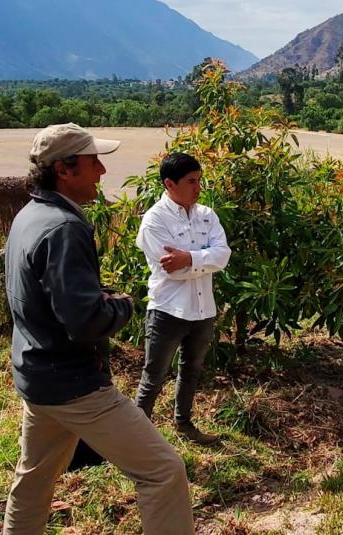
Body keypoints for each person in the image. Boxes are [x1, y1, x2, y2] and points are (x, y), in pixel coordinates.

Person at [3, 123, 194, 534]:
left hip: (36, 375)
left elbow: (45, 295)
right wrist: (121, 307)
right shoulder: (65, 228)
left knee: (33, 479)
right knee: (163, 471)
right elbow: (85, 322)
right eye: (94, 163)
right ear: (64, 170)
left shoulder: (30, 215)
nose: (102, 172)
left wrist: (94, 296)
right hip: (74, 385)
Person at [135, 152, 231, 445]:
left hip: (203, 309)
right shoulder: (154, 221)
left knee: (191, 370)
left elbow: (223, 255)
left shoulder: (206, 215)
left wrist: (189, 257)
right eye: (191, 181)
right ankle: (136, 437)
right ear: (169, 183)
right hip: (168, 310)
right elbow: (172, 271)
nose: (198, 187)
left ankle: (184, 424)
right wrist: (205, 259)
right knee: (154, 375)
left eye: (199, 180)